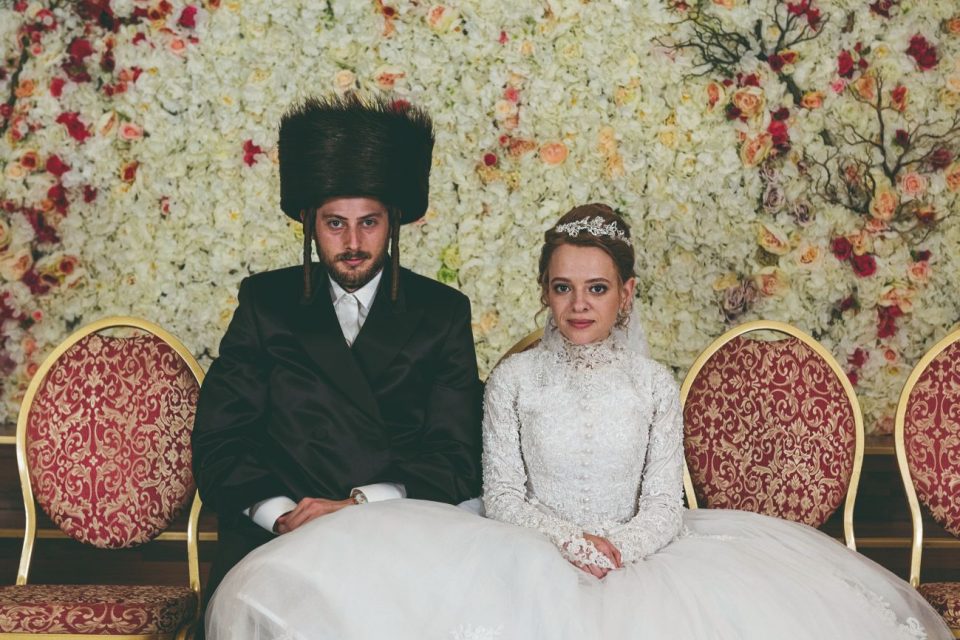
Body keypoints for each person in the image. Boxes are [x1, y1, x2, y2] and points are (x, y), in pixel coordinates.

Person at [205, 204, 951, 639]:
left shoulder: (654, 384)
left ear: (627, 294)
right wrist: (568, 546)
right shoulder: (514, 379)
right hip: (527, 551)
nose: (579, 304)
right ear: (544, 292)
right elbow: (501, 493)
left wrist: (615, 549)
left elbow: (664, 502)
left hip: (646, 555)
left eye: (596, 288)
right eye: (562, 287)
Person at [191, 94, 483, 607]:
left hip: (399, 534)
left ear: (393, 221)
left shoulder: (443, 312)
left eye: (368, 222)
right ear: (309, 222)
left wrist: (359, 505)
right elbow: (222, 439)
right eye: (335, 223)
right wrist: (283, 515)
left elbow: (457, 455)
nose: (352, 242)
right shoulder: (264, 302)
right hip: (275, 539)